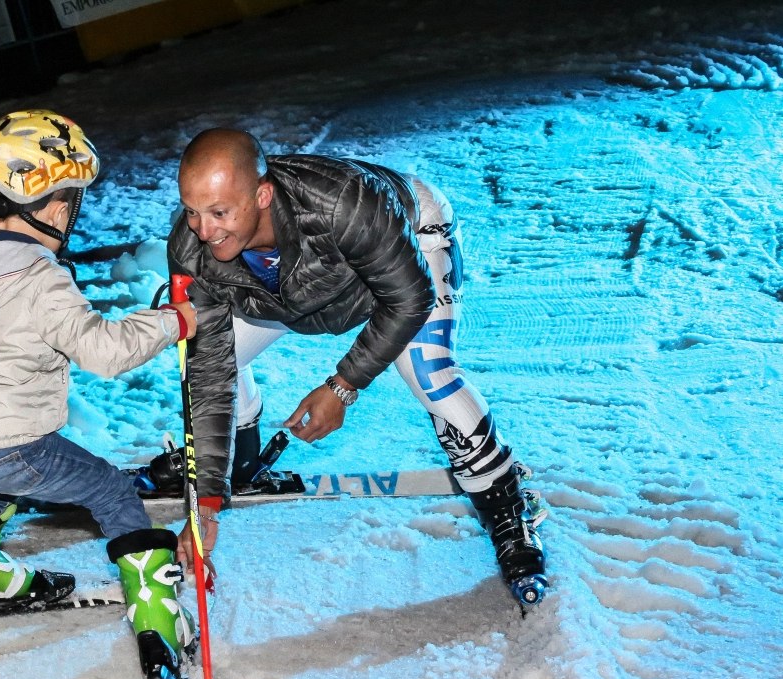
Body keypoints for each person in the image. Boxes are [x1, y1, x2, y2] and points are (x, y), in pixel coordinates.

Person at [0, 110, 197, 679]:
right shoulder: (41, 278)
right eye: (72, 201)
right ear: (53, 208)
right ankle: (158, 621)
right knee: (108, 489)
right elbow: (105, 353)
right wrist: (174, 321)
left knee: (1, 474)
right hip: (7, 442)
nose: (71, 213)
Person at [164, 127, 549, 604]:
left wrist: (343, 386)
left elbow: (409, 298)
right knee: (199, 356)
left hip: (404, 249)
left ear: (262, 194)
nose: (203, 229)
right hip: (303, 289)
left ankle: (511, 509)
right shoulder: (192, 248)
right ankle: (239, 459)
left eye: (219, 212)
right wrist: (205, 504)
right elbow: (209, 370)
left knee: (428, 370)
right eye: (192, 211)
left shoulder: (343, 201)